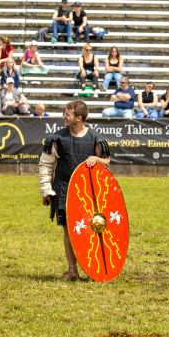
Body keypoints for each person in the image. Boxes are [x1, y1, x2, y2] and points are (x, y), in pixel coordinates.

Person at [38, 100, 111, 281]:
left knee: (92, 228)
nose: (64, 116)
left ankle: (94, 267)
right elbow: (46, 165)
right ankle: (72, 270)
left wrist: (96, 158)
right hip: (64, 189)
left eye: (67, 114)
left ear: (79, 118)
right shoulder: (57, 138)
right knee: (68, 230)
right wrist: (46, 190)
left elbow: (107, 162)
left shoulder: (95, 138)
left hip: (89, 192)